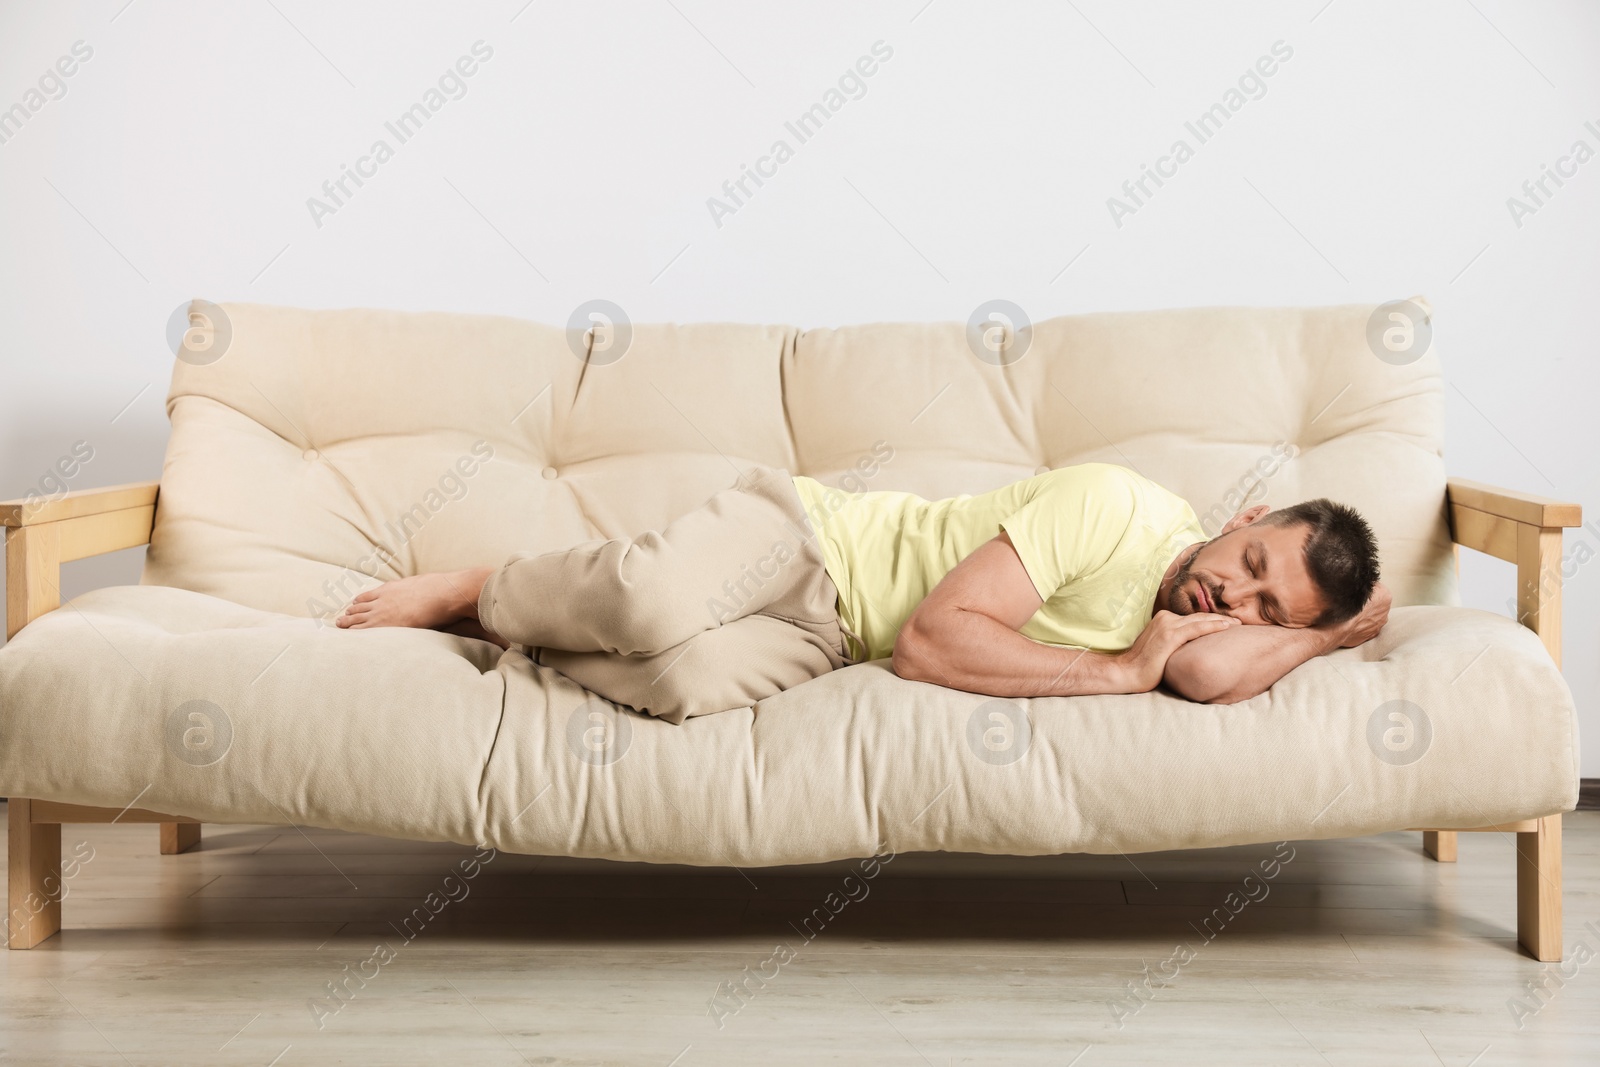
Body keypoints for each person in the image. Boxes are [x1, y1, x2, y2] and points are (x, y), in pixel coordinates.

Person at [335, 463, 1389, 723]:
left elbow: (1203, 678)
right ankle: (483, 585)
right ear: (1244, 517)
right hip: (808, 539)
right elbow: (932, 642)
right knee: (654, 602)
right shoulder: (1116, 506)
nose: (1231, 604)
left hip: (830, 638)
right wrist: (1115, 670)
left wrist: (1330, 638)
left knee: (685, 679)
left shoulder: (1219, 630)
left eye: (1267, 613)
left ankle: (507, 628)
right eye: (1249, 569)